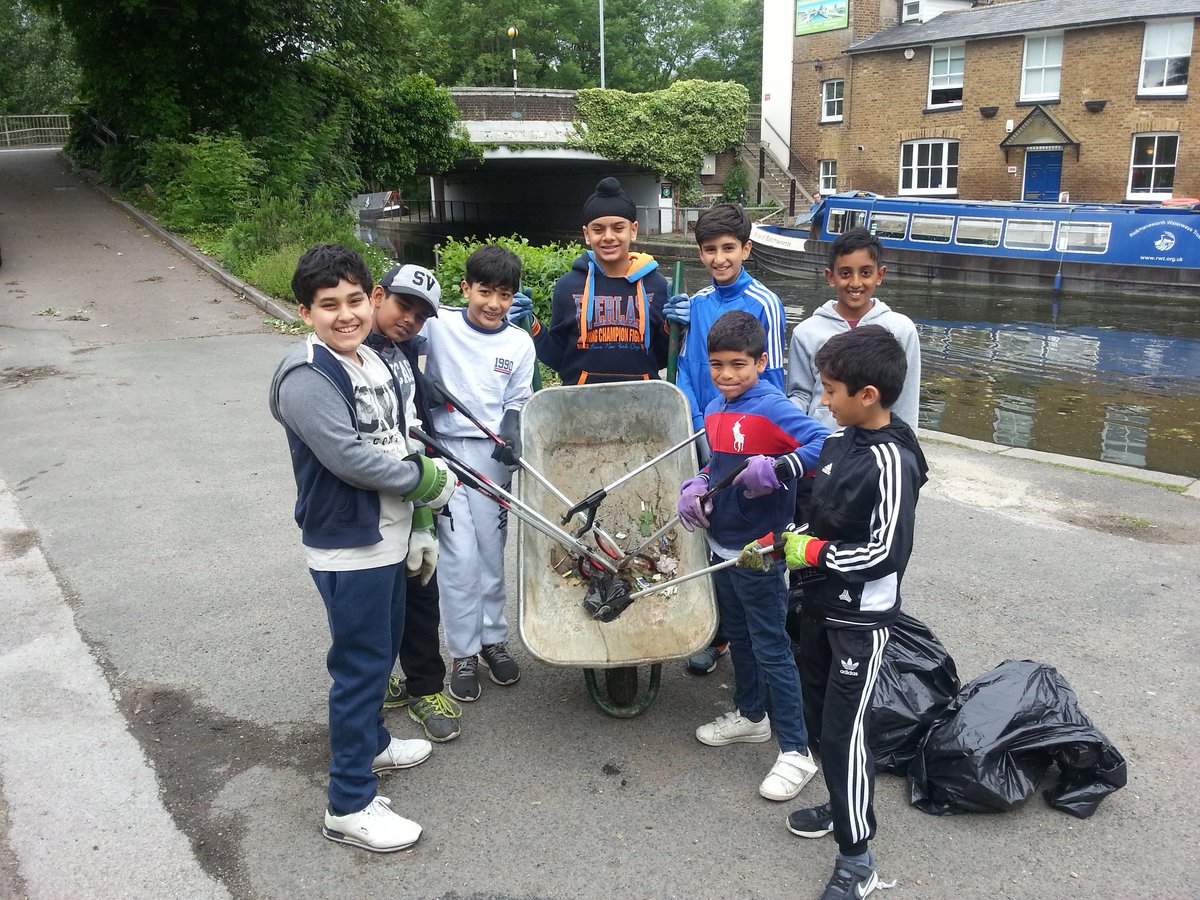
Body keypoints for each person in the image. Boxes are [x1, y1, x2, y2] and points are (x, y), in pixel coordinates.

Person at [268, 244, 456, 853]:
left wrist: (422, 517)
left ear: (367, 298)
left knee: (381, 651)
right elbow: (349, 459)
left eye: (354, 300)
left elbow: (399, 439)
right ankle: (348, 804)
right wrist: (424, 482)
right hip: (351, 546)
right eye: (329, 306)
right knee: (360, 669)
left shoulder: (371, 362)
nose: (345, 315)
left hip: (391, 535)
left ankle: (373, 743)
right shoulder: (307, 377)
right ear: (305, 312)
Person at [737, 324, 929, 900]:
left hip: (860, 621)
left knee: (846, 734)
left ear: (867, 395)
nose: (822, 399)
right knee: (824, 718)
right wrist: (782, 538)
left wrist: (810, 551)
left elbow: (885, 552)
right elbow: (821, 510)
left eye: (830, 389)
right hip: (819, 604)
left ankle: (858, 859)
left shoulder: (895, 459)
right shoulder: (842, 439)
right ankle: (843, 803)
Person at [677, 310, 829, 802]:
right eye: (717, 365)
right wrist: (699, 484)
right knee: (738, 635)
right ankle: (749, 715)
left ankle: (797, 751)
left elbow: (825, 443)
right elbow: (719, 465)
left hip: (761, 551)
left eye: (739, 364)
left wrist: (782, 465)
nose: (727, 374)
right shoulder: (717, 408)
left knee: (772, 647)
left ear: (762, 361)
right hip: (722, 546)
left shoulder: (772, 406)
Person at [663, 202, 788, 676]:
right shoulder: (694, 304)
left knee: (745, 526)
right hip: (704, 428)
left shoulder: (765, 302)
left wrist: (755, 442)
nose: (719, 258)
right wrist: (697, 421)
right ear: (699, 253)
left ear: (746, 249)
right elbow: (692, 371)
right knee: (708, 524)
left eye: (729, 249)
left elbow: (770, 378)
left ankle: (756, 629)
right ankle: (717, 631)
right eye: (710, 249)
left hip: (747, 435)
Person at [422, 245, 536, 703]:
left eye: (504, 295)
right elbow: (398, 343)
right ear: (465, 288)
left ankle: (493, 641)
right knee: (458, 558)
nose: (493, 304)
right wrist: (421, 386)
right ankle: (463, 652)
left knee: (491, 555)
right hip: (445, 450)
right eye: (484, 292)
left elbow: (518, 398)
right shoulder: (437, 325)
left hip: (491, 457)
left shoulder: (519, 343)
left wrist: (512, 428)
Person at [367, 263, 462, 743]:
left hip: (412, 496)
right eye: (404, 306)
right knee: (377, 600)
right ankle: (379, 680)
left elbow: (416, 434)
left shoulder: (405, 353)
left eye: (422, 315)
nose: (410, 319)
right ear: (378, 295)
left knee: (422, 593)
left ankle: (426, 687)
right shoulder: (350, 355)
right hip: (368, 505)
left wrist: (426, 512)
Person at [517, 176, 670, 384]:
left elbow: (663, 357)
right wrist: (530, 325)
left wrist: (675, 326)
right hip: (579, 405)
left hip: (641, 404)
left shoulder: (657, 285)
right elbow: (557, 356)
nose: (608, 236)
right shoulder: (568, 286)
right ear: (586, 234)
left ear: (633, 230)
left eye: (618, 228)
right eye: (598, 229)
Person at [786, 228, 921, 433]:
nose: (856, 283)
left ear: (880, 275)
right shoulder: (806, 332)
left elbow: (906, 400)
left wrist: (906, 447)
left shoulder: (902, 330)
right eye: (845, 273)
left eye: (865, 273)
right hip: (820, 443)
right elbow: (800, 394)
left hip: (878, 447)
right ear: (830, 277)